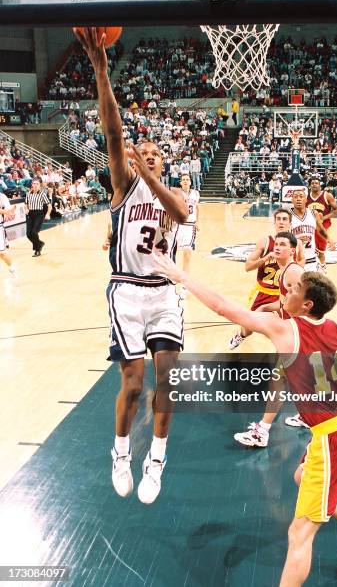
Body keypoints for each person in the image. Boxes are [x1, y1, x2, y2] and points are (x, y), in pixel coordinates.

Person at [154, 254, 337, 587]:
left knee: (299, 534)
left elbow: (222, 306)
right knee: (302, 474)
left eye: (294, 289)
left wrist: (181, 276)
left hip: (336, 439)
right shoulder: (335, 329)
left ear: (306, 304)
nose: (285, 291)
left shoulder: (285, 329)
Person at [74, 27, 188, 504]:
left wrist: (153, 175)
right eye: (146, 155)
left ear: (164, 163)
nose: (150, 158)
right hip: (126, 290)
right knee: (135, 383)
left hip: (164, 293)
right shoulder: (123, 186)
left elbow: (178, 214)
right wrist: (102, 70)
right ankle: (121, 450)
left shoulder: (176, 193)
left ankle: (156, 458)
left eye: (157, 156)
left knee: (168, 382)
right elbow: (113, 130)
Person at [234, 231, 306, 447]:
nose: (277, 247)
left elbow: (305, 305)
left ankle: (262, 432)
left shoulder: (293, 273)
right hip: (297, 332)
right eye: (277, 244)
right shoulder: (286, 271)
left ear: (292, 251)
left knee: (279, 379)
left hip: (299, 333)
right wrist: (267, 307)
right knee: (301, 378)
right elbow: (287, 303)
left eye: (283, 244)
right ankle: (308, 416)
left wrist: (290, 329)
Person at [229, 208, 304, 351]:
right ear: (274, 222)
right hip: (263, 291)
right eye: (278, 219)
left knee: (288, 332)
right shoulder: (265, 242)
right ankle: (242, 335)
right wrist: (265, 258)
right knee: (249, 326)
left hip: (283, 294)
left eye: (284, 219)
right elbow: (248, 266)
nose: (281, 222)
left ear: (290, 223)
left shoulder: (296, 244)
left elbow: (301, 259)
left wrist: (293, 272)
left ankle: (285, 362)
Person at [290, 188, 333, 272]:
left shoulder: (313, 213)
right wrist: (296, 241)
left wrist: (329, 239)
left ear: (306, 199)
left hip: (311, 259)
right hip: (294, 259)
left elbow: (320, 229)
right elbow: (281, 238)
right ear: (292, 200)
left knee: (314, 284)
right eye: (295, 197)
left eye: (301, 196)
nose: (298, 199)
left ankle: (322, 267)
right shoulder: (287, 216)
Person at [306, 178, 337, 273]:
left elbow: (336, 212)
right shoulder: (306, 197)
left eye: (316, 183)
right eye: (312, 183)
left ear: (320, 185)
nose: (314, 184)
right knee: (309, 248)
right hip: (310, 224)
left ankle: (323, 265)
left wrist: (322, 218)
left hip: (324, 224)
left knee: (320, 250)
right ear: (310, 185)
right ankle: (311, 266)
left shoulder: (327, 195)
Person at [177, 174, 200, 300]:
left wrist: (197, 221)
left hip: (190, 227)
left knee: (186, 256)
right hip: (177, 225)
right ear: (180, 182)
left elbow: (197, 207)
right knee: (171, 256)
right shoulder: (176, 193)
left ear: (190, 182)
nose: (185, 181)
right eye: (183, 180)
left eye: (187, 180)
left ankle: (184, 288)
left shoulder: (196, 194)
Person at [25, 179, 51, 257]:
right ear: (32, 185)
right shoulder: (28, 194)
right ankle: (40, 243)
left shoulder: (42, 194)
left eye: (37, 184)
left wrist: (48, 214)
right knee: (28, 234)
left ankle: (37, 250)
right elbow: (26, 204)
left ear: (39, 186)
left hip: (39, 214)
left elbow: (49, 205)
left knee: (34, 232)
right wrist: (26, 209)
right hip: (30, 214)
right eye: (34, 183)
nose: (35, 185)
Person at [0, 192, 17, 276]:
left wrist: (11, 210)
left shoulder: (2, 196)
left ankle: (12, 267)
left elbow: (9, 211)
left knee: (1, 253)